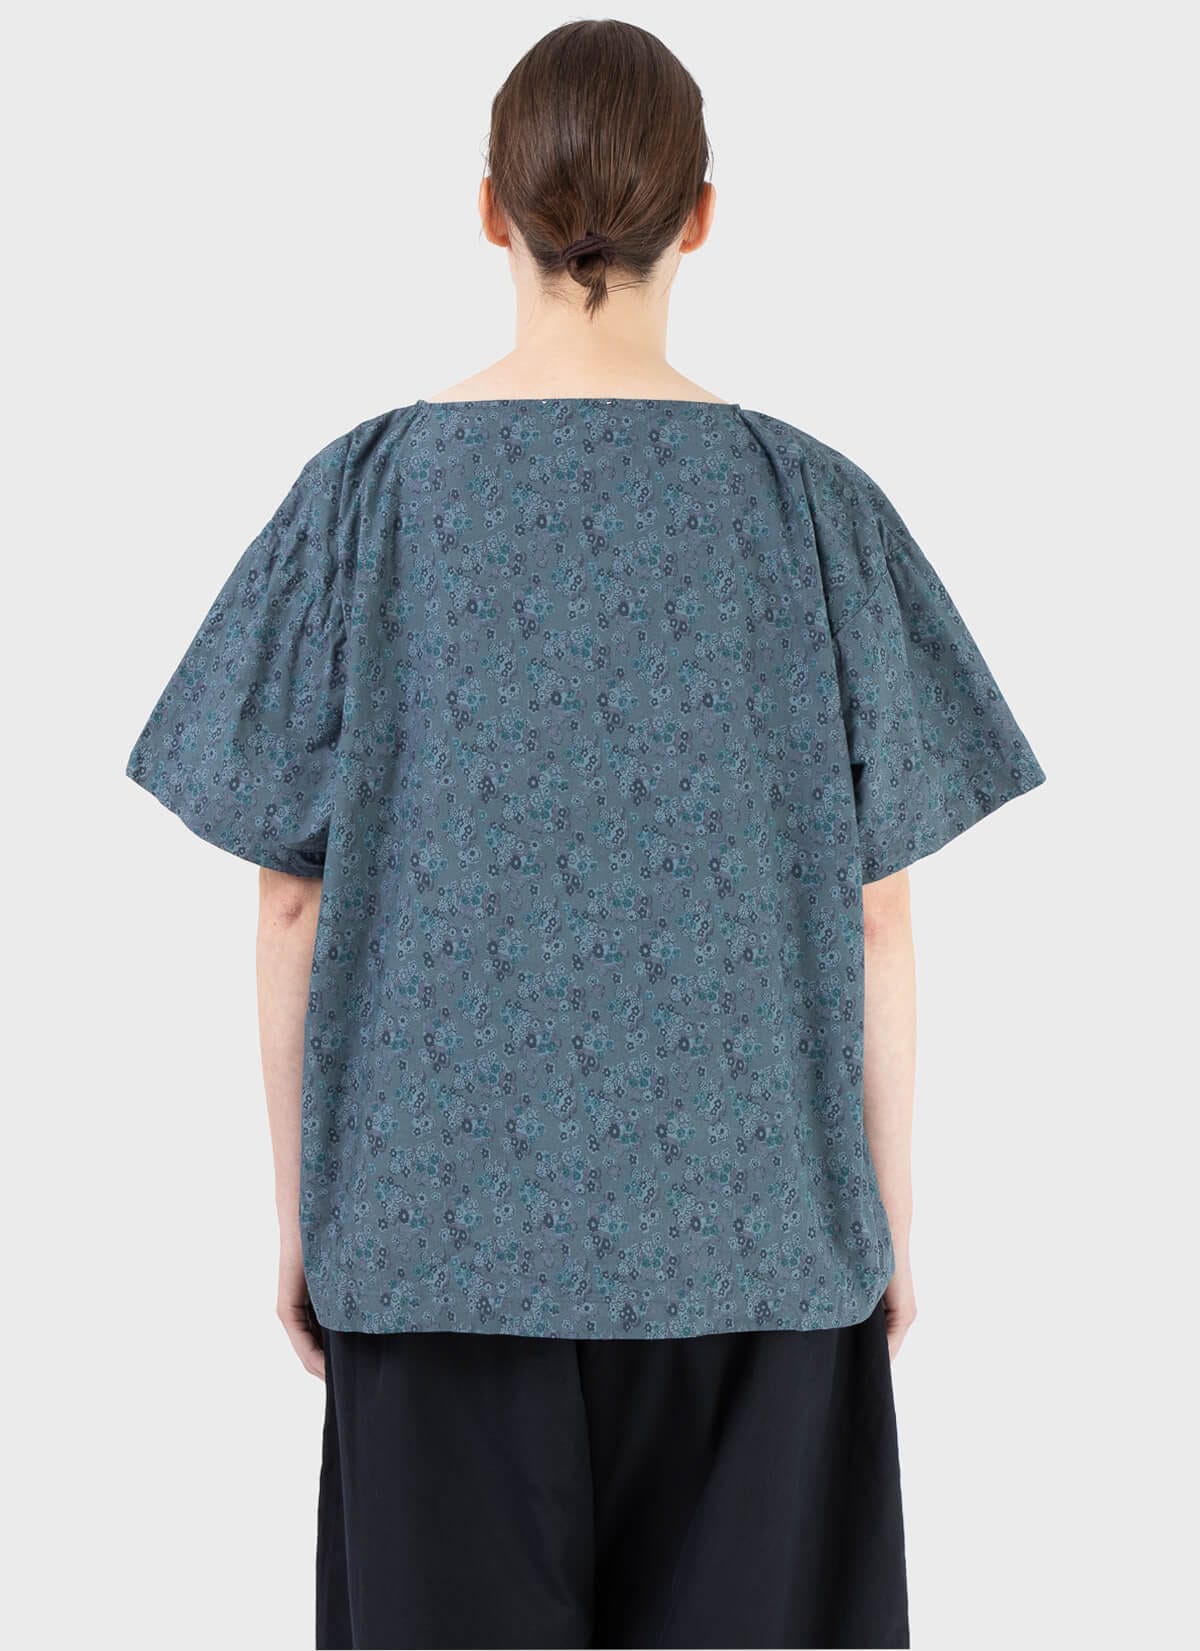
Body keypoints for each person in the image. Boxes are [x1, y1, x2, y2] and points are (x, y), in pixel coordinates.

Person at [124, 18, 1046, 1651]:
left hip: (432, 1257)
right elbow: (877, 913)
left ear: (490, 210)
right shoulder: (813, 508)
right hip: (757, 1254)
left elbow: (289, 904)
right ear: (705, 216)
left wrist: (304, 1219)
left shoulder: (364, 500)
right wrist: (887, 1224)